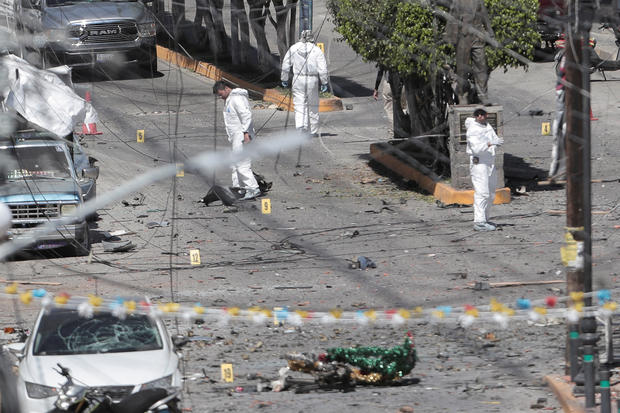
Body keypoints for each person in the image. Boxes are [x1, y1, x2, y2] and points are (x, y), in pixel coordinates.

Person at [212, 80, 260, 200]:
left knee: (242, 164)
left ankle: (253, 188)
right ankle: (238, 188)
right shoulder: (230, 99)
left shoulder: (236, 99)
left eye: (220, 94)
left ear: (226, 88)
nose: (220, 97)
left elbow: (246, 115)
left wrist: (246, 133)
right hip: (236, 137)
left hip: (242, 135)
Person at [281, 30, 329, 137]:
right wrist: (324, 82)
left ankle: (301, 127)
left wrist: (284, 79)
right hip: (312, 80)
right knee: (313, 105)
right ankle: (313, 130)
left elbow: (285, 64)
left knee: (299, 104)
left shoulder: (293, 48)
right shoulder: (316, 50)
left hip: (298, 79)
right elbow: (322, 68)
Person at [445, 0, 495, 105]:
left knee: (481, 66)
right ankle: (463, 95)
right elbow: (452, 19)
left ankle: (483, 95)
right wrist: (451, 39)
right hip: (463, 37)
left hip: (477, 36)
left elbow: (484, 15)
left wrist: (490, 32)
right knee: (462, 69)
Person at [465, 108, 503, 231]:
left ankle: (486, 219)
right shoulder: (473, 130)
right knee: (482, 192)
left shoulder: (487, 126)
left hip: (489, 162)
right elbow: (476, 149)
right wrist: (489, 143)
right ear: (476, 116)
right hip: (479, 163)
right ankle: (479, 221)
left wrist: (495, 143)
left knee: (490, 193)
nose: (481, 117)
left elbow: (493, 138)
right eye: (479, 115)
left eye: (483, 114)